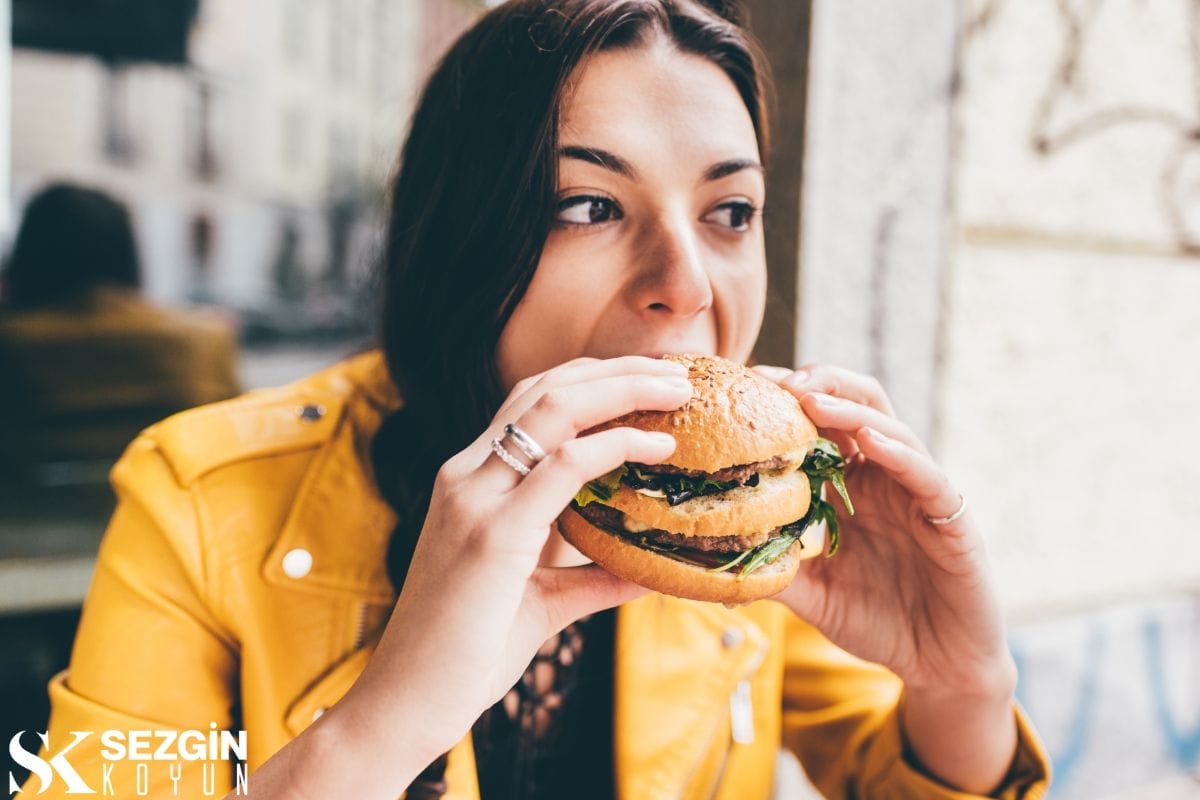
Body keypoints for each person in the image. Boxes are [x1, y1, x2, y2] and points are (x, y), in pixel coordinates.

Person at [15, 2, 1050, 799]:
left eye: (731, 211)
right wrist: (387, 719)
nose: (688, 284)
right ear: (462, 242)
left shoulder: (744, 524)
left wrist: (961, 688)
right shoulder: (197, 495)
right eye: (589, 204)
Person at [0, 183, 240, 478]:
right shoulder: (205, 340)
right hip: (166, 518)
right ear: (127, 250)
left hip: (22, 520)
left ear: (30, 252)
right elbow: (234, 444)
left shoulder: (13, 344)